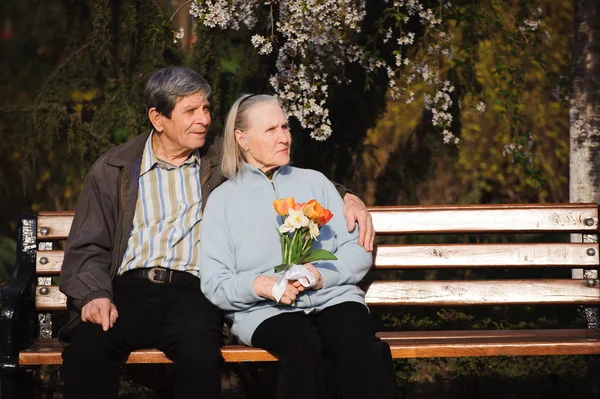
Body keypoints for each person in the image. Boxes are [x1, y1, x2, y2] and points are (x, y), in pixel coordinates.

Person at [58, 67, 375, 399]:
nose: (205, 119)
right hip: (127, 289)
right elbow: (87, 246)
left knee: (200, 357)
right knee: (86, 352)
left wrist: (344, 194)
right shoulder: (115, 168)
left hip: (191, 292)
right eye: (191, 111)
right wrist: (95, 295)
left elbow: (282, 168)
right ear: (158, 118)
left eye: (206, 108)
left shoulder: (220, 157)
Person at [199, 94, 397, 399]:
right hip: (265, 310)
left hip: (332, 298)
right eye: (271, 130)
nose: (283, 138)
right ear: (242, 139)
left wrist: (321, 275)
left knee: (358, 347)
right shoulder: (223, 201)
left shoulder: (315, 182)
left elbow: (357, 249)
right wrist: (259, 285)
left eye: (286, 127)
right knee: (304, 348)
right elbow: (214, 282)